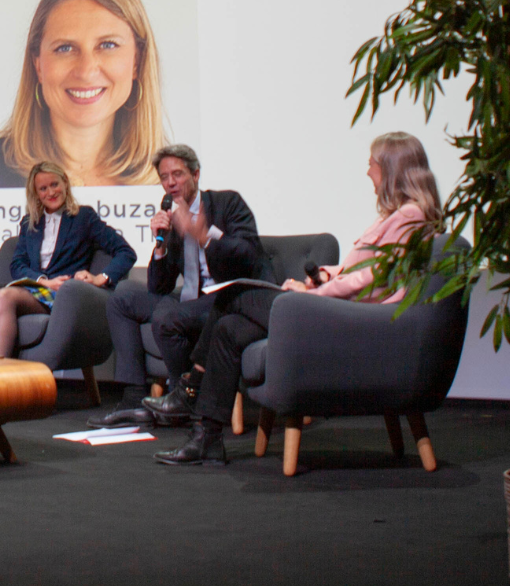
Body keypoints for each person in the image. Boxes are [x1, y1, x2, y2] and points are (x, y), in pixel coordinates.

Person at [153, 132, 443, 465]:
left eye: (372, 164)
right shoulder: (397, 215)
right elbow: (365, 269)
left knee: (232, 292)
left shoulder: (410, 215)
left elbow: (376, 279)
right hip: (339, 307)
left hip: (350, 316)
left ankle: (191, 387)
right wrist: (325, 274)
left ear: (391, 169)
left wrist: (314, 291)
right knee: (229, 329)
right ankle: (208, 438)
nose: (367, 172)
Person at [88, 143, 266, 428]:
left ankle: (182, 397)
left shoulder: (227, 204)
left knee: (167, 316)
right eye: (164, 177)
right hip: (188, 300)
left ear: (196, 175)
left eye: (178, 174)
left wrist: (203, 235)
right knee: (121, 299)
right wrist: (160, 246)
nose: (170, 183)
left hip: (225, 299)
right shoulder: (171, 214)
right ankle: (134, 398)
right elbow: (157, 287)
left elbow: (249, 255)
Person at [0, 0, 169, 189]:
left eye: (108, 44)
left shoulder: (172, 188)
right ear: (38, 65)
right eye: (65, 48)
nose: (86, 70)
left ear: (137, 62)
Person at [0, 160, 137, 357]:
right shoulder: (30, 222)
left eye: (54, 184)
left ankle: (1, 376)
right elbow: (17, 264)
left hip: (63, 294)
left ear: (65, 183)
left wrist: (100, 278)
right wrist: (43, 281)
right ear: (36, 194)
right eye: (43, 188)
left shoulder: (83, 217)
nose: (51, 192)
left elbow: (126, 252)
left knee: (5, 296)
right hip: (36, 286)